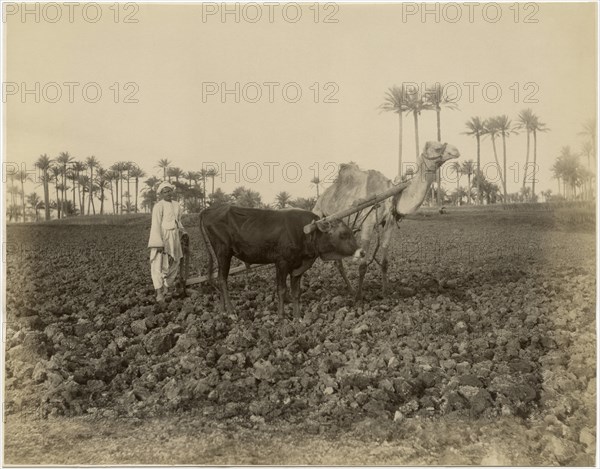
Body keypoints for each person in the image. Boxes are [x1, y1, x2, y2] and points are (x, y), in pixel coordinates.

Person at [148, 181, 186, 302]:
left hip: (174, 236)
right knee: (158, 264)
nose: (168, 193)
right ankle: (159, 292)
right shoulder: (158, 206)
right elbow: (156, 224)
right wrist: (158, 243)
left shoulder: (176, 205)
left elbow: (178, 221)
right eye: (165, 192)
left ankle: (166, 287)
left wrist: (183, 232)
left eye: (169, 191)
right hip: (163, 236)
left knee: (176, 261)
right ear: (161, 194)